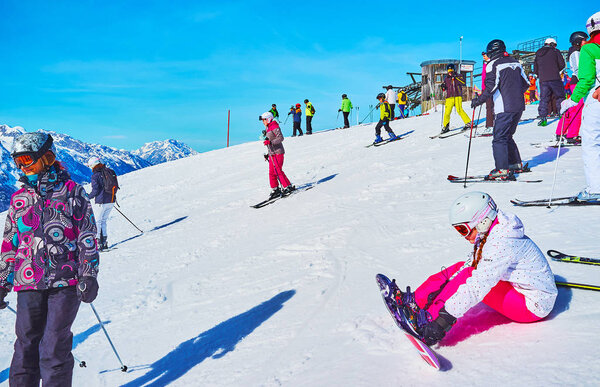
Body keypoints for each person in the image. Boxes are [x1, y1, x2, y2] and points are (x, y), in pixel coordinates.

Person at [387, 191, 557, 346]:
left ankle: (428, 320)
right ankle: (415, 301)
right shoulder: (494, 230)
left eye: (463, 229)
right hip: (518, 290)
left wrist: (441, 323)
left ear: (482, 222)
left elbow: (477, 286)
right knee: (463, 267)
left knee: (471, 276)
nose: (464, 236)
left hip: (533, 306)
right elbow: (471, 266)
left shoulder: (501, 241)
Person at [0, 132, 99, 386]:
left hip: (65, 282)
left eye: (26, 160)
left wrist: (88, 274)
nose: (22, 167)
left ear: (48, 157)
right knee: (25, 347)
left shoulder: (72, 192)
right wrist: (2, 282)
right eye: (17, 162)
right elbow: (10, 243)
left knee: (54, 347)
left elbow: (87, 235)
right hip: (28, 281)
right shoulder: (19, 199)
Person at [471, 39, 529, 180]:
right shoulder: (515, 62)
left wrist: (478, 100)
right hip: (518, 106)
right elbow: (526, 83)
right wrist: (514, 93)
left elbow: (490, 87)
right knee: (508, 136)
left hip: (504, 106)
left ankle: (502, 169)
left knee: (499, 138)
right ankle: (515, 164)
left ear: (493, 52)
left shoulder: (493, 64)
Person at [560, 11, 600, 202]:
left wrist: (572, 100)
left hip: (596, 100)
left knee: (592, 142)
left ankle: (596, 188)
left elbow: (586, 80)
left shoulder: (589, 49)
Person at [556, 31, 589, 144]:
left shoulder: (577, 51)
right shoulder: (576, 53)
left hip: (578, 82)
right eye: (585, 39)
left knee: (573, 108)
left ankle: (561, 132)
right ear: (578, 41)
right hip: (579, 82)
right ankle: (572, 135)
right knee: (577, 109)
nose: (587, 41)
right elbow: (580, 69)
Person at [260, 112, 295, 199]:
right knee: (272, 172)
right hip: (272, 154)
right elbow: (269, 142)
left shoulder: (274, 126)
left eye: (264, 120)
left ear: (268, 118)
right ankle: (275, 189)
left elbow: (280, 138)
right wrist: (268, 154)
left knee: (277, 171)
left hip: (278, 152)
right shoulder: (268, 128)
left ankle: (287, 187)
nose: (263, 122)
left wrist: (270, 142)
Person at [87, 156, 118, 251]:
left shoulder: (95, 175)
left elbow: (96, 190)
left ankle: (98, 244)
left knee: (97, 222)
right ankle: (104, 243)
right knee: (103, 221)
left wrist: (87, 196)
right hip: (111, 200)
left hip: (101, 201)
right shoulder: (110, 171)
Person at [534, 37, 566, 126]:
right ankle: (562, 115)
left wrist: (540, 74)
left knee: (544, 99)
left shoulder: (538, 53)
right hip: (554, 77)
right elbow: (562, 64)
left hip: (543, 79)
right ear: (552, 44)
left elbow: (535, 67)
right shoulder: (555, 51)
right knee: (560, 96)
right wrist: (555, 69)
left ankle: (543, 118)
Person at [441, 63, 471, 133]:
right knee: (447, 113)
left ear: (454, 70)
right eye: (449, 71)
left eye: (451, 71)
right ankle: (446, 126)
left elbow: (463, 82)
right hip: (449, 97)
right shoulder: (446, 78)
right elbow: (445, 87)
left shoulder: (458, 76)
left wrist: (456, 77)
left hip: (457, 96)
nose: (450, 72)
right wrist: (443, 86)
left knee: (459, 110)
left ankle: (468, 123)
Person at [480, 52, 494, 136]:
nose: (483, 57)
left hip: (489, 88)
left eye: (484, 56)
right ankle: (490, 125)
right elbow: (483, 77)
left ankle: (490, 125)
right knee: (488, 106)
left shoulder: (491, 63)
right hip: (485, 88)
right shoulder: (485, 64)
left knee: (490, 106)